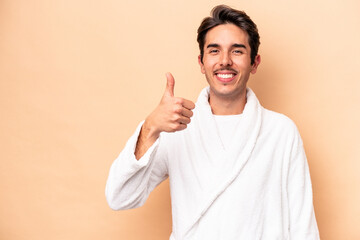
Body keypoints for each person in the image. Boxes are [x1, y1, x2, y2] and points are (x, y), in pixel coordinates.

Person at [105, 5, 320, 240]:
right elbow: (119, 197)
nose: (225, 61)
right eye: (214, 51)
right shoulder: (177, 127)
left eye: (237, 51)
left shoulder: (281, 132)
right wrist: (150, 127)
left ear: (255, 62)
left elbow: (303, 226)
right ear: (201, 62)